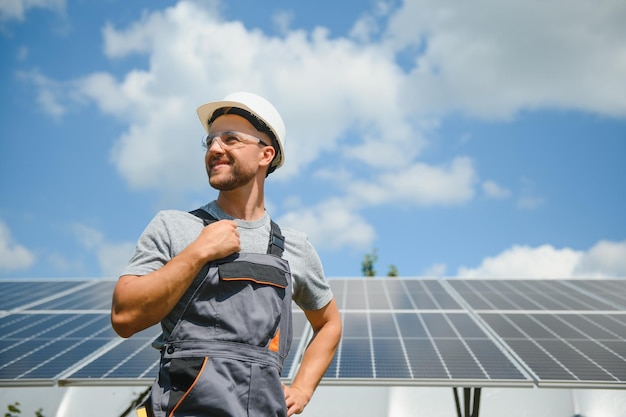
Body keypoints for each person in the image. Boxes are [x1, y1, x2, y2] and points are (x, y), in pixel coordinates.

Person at [111, 92, 342, 417]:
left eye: (230, 139)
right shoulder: (173, 226)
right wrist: (197, 253)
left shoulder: (295, 246)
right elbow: (124, 318)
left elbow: (329, 323)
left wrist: (303, 389)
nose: (215, 149)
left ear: (266, 154)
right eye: (209, 142)